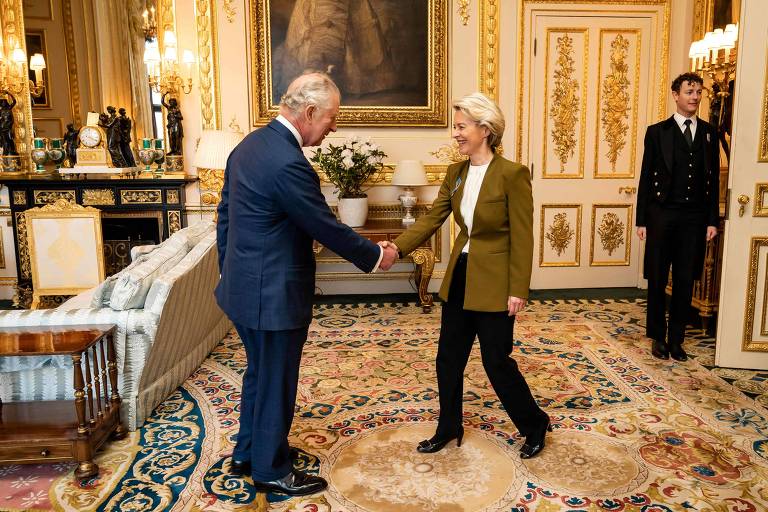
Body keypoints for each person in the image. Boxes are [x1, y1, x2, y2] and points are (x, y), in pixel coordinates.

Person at [215, 72, 397, 497]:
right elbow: (324, 226)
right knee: (277, 379)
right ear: (310, 112)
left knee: (259, 374)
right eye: (331, 117)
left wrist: (232, 273)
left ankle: (248, 451)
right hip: (273, 296)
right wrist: (376, 256)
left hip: (244, 289)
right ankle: (271, 470)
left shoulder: (249, 146)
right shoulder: (288, 162)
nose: (333, 127)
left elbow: (225, 216)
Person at [386, 92, 551, 460]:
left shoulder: (512, 174)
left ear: (485, 129)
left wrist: (517, 289)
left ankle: (534, 423)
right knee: (448, 357)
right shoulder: (455, 173)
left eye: (461, 127)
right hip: (461, 276)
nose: (455, 134)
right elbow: (432, 218)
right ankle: (449, 426)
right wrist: (397, 248)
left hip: (495, 281)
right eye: (455, 127)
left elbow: (523, 236)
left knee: (496, 361)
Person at [636, 72, 720, 362]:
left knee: (686, 279)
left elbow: (713, 182)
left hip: (694, 218)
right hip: (662, 213)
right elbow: (646, 177)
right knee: (658, 277)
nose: (695, 97)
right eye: (689, 91)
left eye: (698, 92)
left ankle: (677, 340)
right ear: (675, 94)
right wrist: (642, 220)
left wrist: (712, 220)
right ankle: (658, 337)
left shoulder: (710, 133)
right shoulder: (658, 132)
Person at [0, 91, 18, 157]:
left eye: (4, 101)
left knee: (9, 139)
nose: (3, 103)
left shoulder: (9, 108)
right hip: (2, 127)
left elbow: (14, 101)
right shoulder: (1, 110)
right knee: (3, 140)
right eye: (2, 102)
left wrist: (9, 93)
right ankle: (5, 152)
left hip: (8, 127)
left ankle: (11, 151)